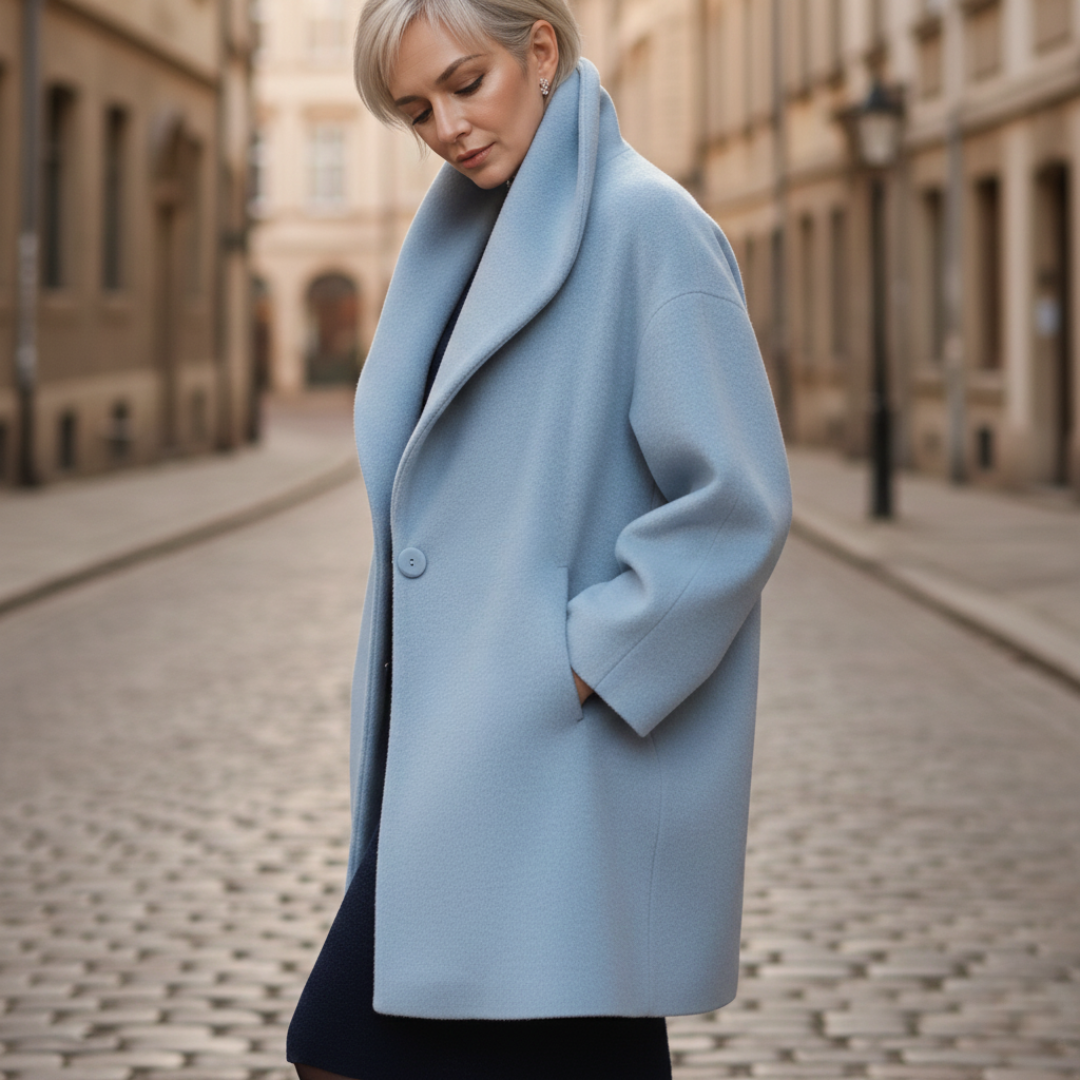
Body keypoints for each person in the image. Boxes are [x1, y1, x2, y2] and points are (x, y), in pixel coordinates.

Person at [286, 1, 791, 1076]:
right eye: (418, 110)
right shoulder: (466, 230)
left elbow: (736, 499)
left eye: (467, 84)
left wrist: (575, 663)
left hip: (544, 746)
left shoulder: (648, 224)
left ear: (543, 50)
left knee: (355, 1043)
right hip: (451, 742)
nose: (449, 127)